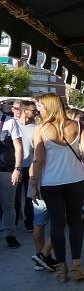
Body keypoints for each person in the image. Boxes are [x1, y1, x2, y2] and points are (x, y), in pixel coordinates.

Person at [30, 93, 84, 282]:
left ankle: (61, 269)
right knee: (75, 223)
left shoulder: (41, 128)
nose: (38, 109)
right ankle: (76, 266)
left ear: (48, 106)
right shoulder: (77, 125)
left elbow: (38, 160)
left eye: (40, 106)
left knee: (56, 225)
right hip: (75, 181)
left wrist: (33, 185)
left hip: (51, 183)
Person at [1, 105, 23, 248]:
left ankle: (10, 234)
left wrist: (17, 168)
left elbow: (18, 147)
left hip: (7, 169)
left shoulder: (10, 121)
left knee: (8, 205)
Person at [14, 100, 37, 233]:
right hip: (16, 167)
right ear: (24, 111)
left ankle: (29, 222)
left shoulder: (35, 127)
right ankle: (14, 221)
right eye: (33, 111)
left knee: (29, 196)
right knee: (15, 198)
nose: (35, 113)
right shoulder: (13, 125)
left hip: (31, 166)